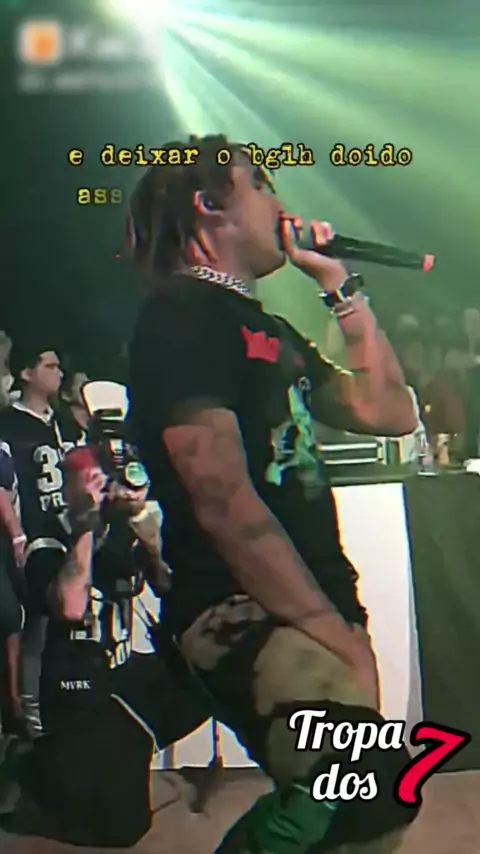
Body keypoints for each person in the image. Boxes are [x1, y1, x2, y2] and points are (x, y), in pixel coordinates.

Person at [128, 135, 420, 854]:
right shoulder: (181, 317)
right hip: (240, 604)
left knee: (359, 820)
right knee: (355, 790)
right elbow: (220, 497)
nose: (280, 201)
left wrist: (342, 291)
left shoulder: (271, 329)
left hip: (315, 594)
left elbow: (391, 412)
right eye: (261, 183)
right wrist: (330, 631)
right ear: (210, 204)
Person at [12, 446, 210, 847]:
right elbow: (70, 607)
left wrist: (151, 544)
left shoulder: (118, 531)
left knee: (207, 677)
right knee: (123, 829)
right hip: (70, 688)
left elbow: (168, 590)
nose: (103, 491)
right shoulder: (48, 538)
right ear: (69, 488)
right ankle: (35, 768)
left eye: (105, 482)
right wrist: (86, 525)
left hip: (117, 679)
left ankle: (118, 756)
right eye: (92, 483)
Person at [0, 345, 67, 738]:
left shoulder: (63, 423)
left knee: (67, 624)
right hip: (33, 539)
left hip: (69, 536)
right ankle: (30, 713)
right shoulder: (8, 424)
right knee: (36, 624)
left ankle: (62, 709)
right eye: (50, 365)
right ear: (26, 373)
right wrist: (17, 535)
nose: (60, 373)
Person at [56, 370, 89, 447]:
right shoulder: (59, 425)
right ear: (66, 395)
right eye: (83, 385)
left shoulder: (99, 423)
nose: (88, 389)